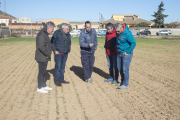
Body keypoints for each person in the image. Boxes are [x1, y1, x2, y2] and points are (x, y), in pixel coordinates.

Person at [35, 21, 55, 93]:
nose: (52, 31)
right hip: (42, 57)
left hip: (44, 57)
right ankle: (39, 87)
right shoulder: (42, 34)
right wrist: (47, 54)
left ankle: (43, 85)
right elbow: (41, 47)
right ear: (49, 28)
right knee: (41, 72)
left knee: (43, 72)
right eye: (52, 29)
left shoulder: (44, 33)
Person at [115, 23, 136, 89]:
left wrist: (128, 51)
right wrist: (117, 48)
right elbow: (117, 41)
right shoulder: (117, 33)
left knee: (125, 69)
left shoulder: (127, 34)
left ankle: (125, 84)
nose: (117, 32)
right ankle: (122, 82)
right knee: (119, 68)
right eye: (116, 31)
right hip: (119, 53)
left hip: (126, 54)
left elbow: (133, 43)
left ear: (121, 28)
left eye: (118, 31)